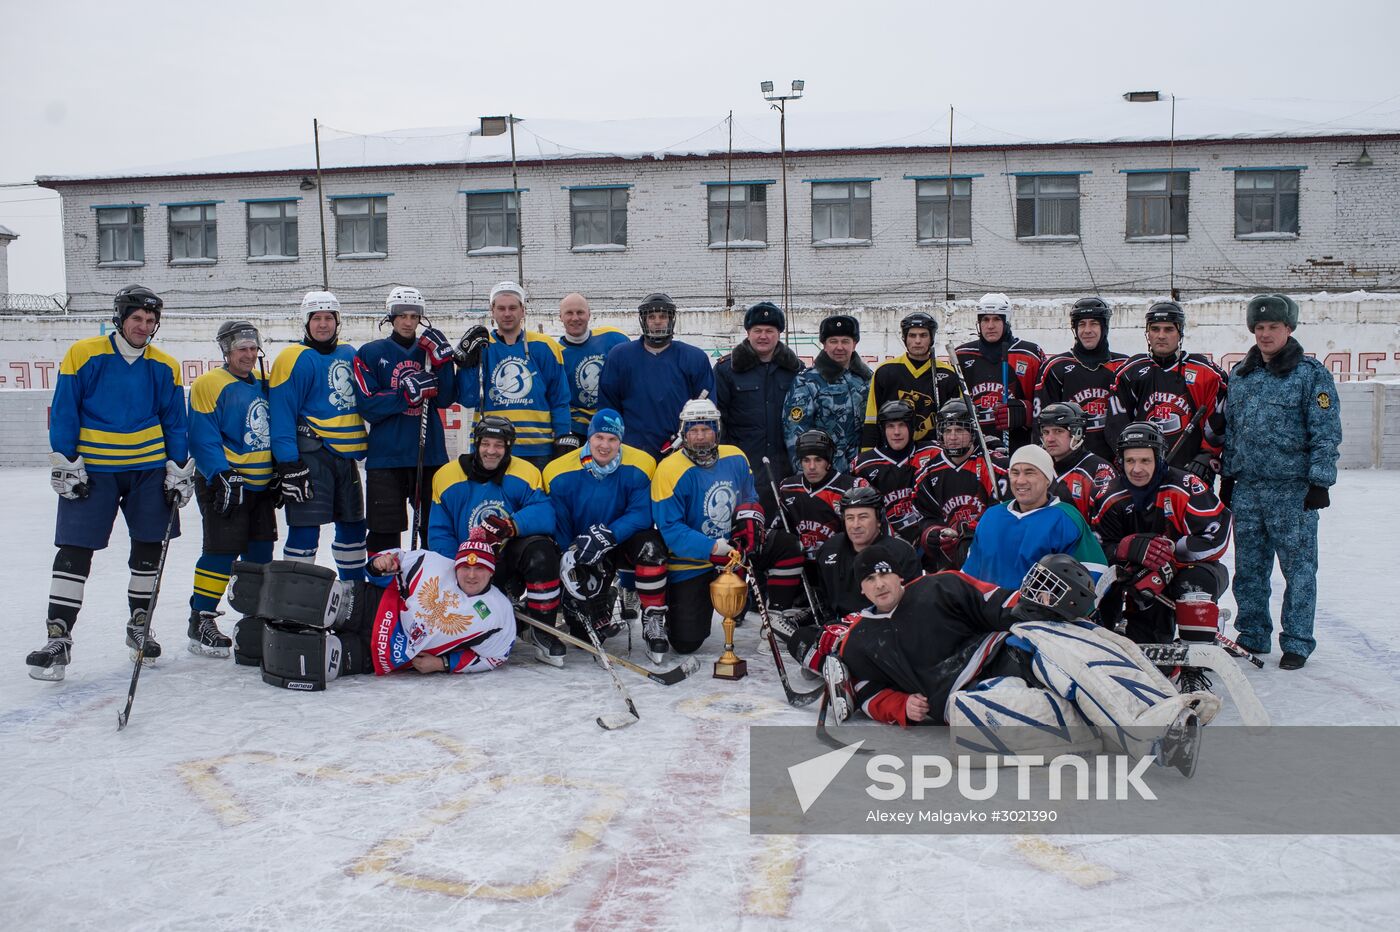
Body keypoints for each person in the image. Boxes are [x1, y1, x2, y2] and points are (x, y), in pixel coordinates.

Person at [789, 551, 1215, 772]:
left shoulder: (941, 585)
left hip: (1007, 655)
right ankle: (1111, 726)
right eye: (869, 578)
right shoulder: (859, 640)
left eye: (884, 573)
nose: (878, 583)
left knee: (1055, 645)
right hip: (968, 699)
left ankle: (1164, 729)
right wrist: (897, 707)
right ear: (861, 590)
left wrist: (1044, 610)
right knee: (973, 723)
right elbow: (863, 691)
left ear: (900, 575)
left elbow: (1001, 605)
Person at [29, 285, 194, 681]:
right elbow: (66, 409)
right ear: (121, 318)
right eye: (137, 318)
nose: (143, 326)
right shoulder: (84, 354)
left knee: (149, 548)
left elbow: (174, 420)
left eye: (150, 321)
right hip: (93, 471)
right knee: (74, 551)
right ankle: (59, 637)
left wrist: (179, 468)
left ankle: (139, 624)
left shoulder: (165, 365)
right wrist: (66, 461)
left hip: (148, 470)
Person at [1221, 294, 1342, 670]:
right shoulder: (1241, 375)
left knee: (1299, 571)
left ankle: (1297, 641)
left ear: (1289, 328)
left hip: (1293, 491)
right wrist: (1228, 475)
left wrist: (1320, 481)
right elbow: (1233, 430)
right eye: (1259, 327)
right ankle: (1253, 634)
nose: (1266, 334)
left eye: (1273, 327)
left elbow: (1325, 432)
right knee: (1250, 570)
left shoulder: (1311, 376)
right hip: (1249, 489)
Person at [251, 535, 516, 690]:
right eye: (465, 568)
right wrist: (380, 563)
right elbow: (394, 558)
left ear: (491, 572)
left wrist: (443, 664)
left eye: (480, 569)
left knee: (324, 658)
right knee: (324, 600)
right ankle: (261, 612)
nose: (471, 575)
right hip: (374, 607)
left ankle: (264, 645)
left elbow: (494, 658)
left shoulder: (499, 614)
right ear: (455, 565)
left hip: (385, 651)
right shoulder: (433, 562)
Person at [651, 399, 804, 662]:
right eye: (693, 430)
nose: (700, 437)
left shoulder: (735, 455)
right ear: (683, 433)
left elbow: (749, 497)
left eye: (706, 429)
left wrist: (750, 517)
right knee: (686, 643)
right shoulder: (668, 470)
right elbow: (671, 530)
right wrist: (711, 548)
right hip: (692, 561)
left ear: (717, 430)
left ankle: (776, 621)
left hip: (734, 549)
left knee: (788, 546)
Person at [428, 415, 564, 664]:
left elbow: (545, 514)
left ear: (509, 447)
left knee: (542, 552)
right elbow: (440, 532)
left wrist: (511, 525)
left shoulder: (525, 472)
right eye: (486, 443)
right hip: (472, 566)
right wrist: (455, 573)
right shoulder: (447, 476)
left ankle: (543, 631)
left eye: (499, 445)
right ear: (476, 444)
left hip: (508, 560)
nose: (491, 451)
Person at [1096, 421, 1232, 660]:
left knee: (1195, 586)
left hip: (1190, 570)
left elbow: (1216, 537)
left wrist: (1172, 556)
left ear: (1158, 458)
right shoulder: (1111, 495)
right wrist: (1123, 549)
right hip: (1141, 580)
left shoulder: (1186, 486)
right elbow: (1098, 549)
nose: (1137, 469)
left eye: (1145, 461)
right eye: (1130, 461)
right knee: (1153, 658)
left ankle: (1198, 657)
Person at [184, 320, 276, 660]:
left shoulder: (263, 384)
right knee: (220, 553)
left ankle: (253, 620)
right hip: (224, 482)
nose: (249, 355)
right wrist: (220, 473)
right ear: (226, 350)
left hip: (260, 485)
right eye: (242, 349)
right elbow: (201, 434)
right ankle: (201, 619)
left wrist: (279, 467)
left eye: (253, 348)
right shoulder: (209, 384)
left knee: (260, 555)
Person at [268, 290, 369, 584]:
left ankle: (354, 594)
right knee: (306, 529)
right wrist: (288, 463)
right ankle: (296, 597)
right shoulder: (292, 358)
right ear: (306, 322)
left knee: (353, 528)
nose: (323, 324)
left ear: (338, 322)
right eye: (317, 318)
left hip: (345, 460)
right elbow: (282, 413)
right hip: (310, 457)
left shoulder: (350, 354)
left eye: (329, 318)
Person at [542, 409, 667, 645]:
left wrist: (608, 535)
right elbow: (560, 522)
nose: (605, 445)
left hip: (621, 541)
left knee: (651, 546)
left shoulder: (642, 463)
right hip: (583, 547)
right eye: (599, 437)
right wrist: (571, 554)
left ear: (621, 440)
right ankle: (604, 596)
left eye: (612, 439)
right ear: (589, 437)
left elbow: (641, 513)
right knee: (585, 635)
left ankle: (653, 618)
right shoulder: (558, 471)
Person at [352, 286, 457, 554]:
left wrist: (443, 363)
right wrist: (406, 394)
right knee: (383, 536)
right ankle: (384, 592)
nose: (408, 322)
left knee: (434, 531)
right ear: (391, 317)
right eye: (402, 316)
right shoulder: (371, 353)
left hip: (429, 455)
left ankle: (429, 591)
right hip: (387, 458)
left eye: (414, 315)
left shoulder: (427, 353)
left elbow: (445, 399)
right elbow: (368, 405)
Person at [1105, 300, 1227, 483]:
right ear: (1148, 333)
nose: (1161, 336)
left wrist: (1207, 455)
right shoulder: (1129, 372)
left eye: (1168, 329)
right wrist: (1128, 457)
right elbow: (1117, 423)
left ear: (1180, 333)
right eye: (1155, 329)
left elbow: (1217, 421)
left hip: (1191, 469)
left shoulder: (1206, 373)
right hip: (1144, 472)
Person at [455, 281, 572, 471]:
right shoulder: (481, 347)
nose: (507, 313)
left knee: (535, 500)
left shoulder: (545, 346)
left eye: (512, 308)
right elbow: (468, 399)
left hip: (538, 449)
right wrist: (466, 365)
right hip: (491, 447)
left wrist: (562, 435)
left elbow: (559, 398)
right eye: (501, 308)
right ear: (492, 311)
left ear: (523, 310)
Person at [961, 444, 1107, 590]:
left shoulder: (1066, 518)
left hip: (1039, 612)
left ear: (1047, 479)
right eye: (1015, 473)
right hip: (989, 610)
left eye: (1029, 473)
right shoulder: (991, 516)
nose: (1020, 480)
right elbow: (970, 575)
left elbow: (1093, 572)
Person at [598, 292, 716, 462]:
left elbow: (706, 410)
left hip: (681, 451)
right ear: (644, 321)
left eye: (663, 316)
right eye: (652, 316)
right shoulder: (620, 357)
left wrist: (688, 438)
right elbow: (608, 408)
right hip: (633, 452)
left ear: (671, 319)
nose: (658, 321)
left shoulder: (694, 358)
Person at [713, 301, 804, 514]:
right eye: (758, 331)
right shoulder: (727, 370)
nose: (763, 336)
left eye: (769, 331)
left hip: (785, 469)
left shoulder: (795, 370)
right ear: (748, 332)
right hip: (743, 468)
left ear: (779, 333)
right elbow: (718, 421)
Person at [911, 399, 1007, 572]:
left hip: (993, 554)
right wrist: (933, 535)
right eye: (947, 430)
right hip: (950, 561)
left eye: (960, 430)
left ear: (973, 431)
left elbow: (1005, 511)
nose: (953, 437)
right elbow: (926, 518)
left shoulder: (995, 466)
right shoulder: (927, 474)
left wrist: (972, 529)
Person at [1035, 296, 1129, 462]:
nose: (1087, 330)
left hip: (1115, 461)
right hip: (1070, 462)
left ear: (1104, 327)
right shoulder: (1055, 367)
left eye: (1093, 323)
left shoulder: (1124, 366)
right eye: (1081, 324)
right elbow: (1040, 422)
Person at [953, 292, 1046, 453]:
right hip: (973, 448)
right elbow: (951, 403)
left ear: (1006, 321)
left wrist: (1025, 412)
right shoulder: (961, 355)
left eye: (996, 319)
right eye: (985, 319)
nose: (990, 325)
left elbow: (1046, 403)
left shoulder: (1030, 354)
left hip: (1018, 446)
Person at [813, 484, 922, 620]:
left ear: (878, 520)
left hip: (888, 624)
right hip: (841, 628)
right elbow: (826, 601)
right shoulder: (829, 550)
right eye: (850, 518)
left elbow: (913, 605)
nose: (855, 525)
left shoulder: (901, 552)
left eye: (863, 517)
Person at [782, 313, 871, 473]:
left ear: (855, 344)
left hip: (864, 472)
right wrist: (806, 477)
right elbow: (795, 435)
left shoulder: (866, 379)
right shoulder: (807, 382)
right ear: (823, 344)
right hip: (826, 476)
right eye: (833, 341)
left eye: (845, 341)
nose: (839, 347)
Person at [851, 399, 940, 544]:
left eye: (902, 425)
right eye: (891, 426)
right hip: (885, 544)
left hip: (929, 538)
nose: (896, 432)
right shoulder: (863, 465)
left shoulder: (933, 453)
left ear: (911, 428)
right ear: (883, 430)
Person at [861, 311, 956, 447]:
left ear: (931, 338)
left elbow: (957, 418)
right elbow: (872, 417)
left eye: (923, 335)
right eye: (912, 335)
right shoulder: (885, 371)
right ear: (904, 338)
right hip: (893, 453)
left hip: (934, 453)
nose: (917, 341)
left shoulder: (948, 374)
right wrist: (868, 453)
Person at [773, 430, 867, 562]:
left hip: (841, 564)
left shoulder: (853, 487)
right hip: (802, 567)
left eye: (818, 460)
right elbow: (779, 531)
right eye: (806, 460)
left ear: (828, 461)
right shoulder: (788, 487)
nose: (811, 467)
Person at [557, 293, 629, 443]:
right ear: (560, 317)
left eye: (580, 312)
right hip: (578, 431)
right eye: (569, 313)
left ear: (589, 314)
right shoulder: (556, 354)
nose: (575, 318)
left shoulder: (614, 338)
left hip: (614, 425)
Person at [1038, 401, 1117, 523]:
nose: (1049, 439)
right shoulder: (1035, 466)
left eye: (1058, 431)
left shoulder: (1099, 470)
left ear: (1077, 432)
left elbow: (1104, 530)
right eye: (1046, 432)